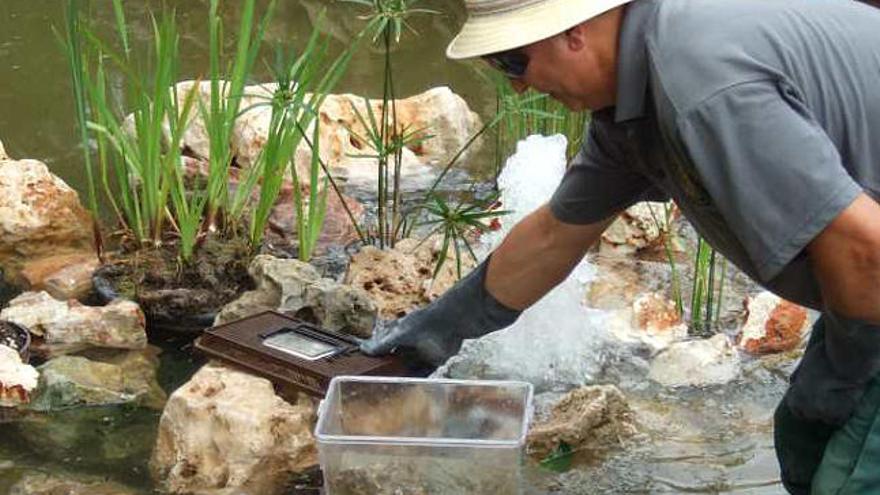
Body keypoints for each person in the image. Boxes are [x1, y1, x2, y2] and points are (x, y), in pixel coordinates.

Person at [360, 0, 880, 492]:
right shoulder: (635, 106)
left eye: (512, 60)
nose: (517, 88)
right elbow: (553, 236)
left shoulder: (699, 80)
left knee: (847, 477)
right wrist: (436, 332)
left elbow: (864, 251)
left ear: (573, 30)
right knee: (805, 447)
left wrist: (840, 374)